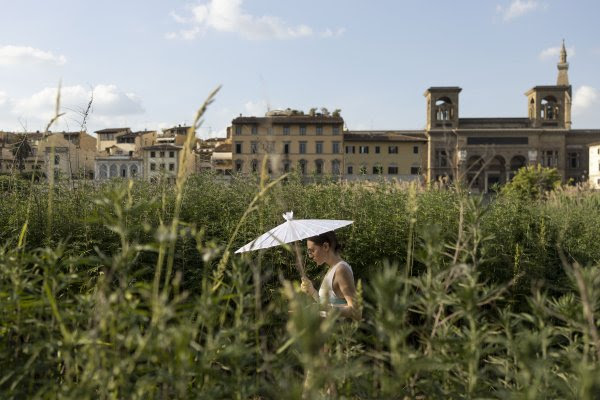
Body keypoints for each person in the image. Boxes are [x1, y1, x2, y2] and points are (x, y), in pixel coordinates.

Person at [300, 231, 361, 320]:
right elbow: (329, 303)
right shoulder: (332, 269)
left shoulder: (341, 270)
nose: (310, 256)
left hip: (338, 332)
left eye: (312, 251)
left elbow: (356, 310)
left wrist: (326, 308)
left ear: (325, 246)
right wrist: (312, 291)